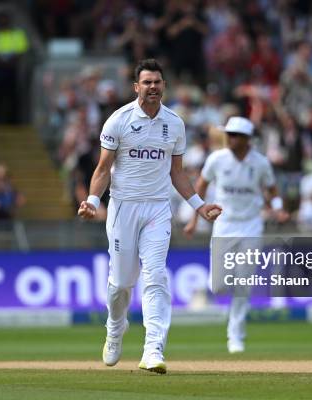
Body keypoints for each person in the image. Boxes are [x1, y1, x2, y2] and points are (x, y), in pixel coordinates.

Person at [77, 59, 221, 374]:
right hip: (123, 207)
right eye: (147, 82)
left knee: (155, 277)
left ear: (164, 86)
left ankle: (153, 348)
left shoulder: (175, 123)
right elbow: (103, 169)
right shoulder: (119, 120)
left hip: (157, 208)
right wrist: (91, 200)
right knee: (121, 284)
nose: (152, 87)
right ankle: (115, 328)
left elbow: (178, 173)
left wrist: (199, 205)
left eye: (157, 82)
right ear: (136, 86)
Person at [183, 116, 287, 353]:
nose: (229, 139)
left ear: (247, 139)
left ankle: (235, 336)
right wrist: (193, 220)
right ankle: (208, 291)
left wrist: (279, 208)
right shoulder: (217, 159)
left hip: (251, 226)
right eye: (228, 134)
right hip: (224, 225)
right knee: (218, 286)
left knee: (243, 284)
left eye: (234, 135)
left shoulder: (260, 163)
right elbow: (199, 187)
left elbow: (272, 190)